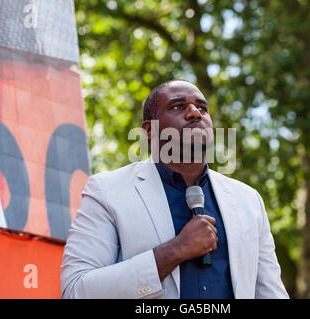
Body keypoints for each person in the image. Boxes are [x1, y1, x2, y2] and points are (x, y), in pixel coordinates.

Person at [60, 80, 289, 299]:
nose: (195, 113)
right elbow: (75, 291)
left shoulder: (248, 200)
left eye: (202, 108)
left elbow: (271, 292)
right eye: (178, 106)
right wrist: (176, 250)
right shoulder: (106, 191)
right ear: (150, 130)